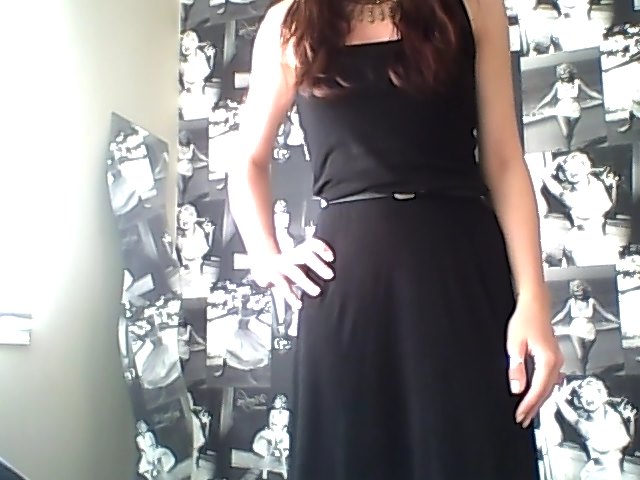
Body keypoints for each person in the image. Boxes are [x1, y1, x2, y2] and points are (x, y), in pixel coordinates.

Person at [227, 0, 563, 478]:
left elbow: (505, 161)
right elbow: (247, 160)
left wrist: (534, 298)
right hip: (347, 289)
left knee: (471, 452)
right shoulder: (290, 21)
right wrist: (266, 256)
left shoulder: (473, 7)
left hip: (461, 276)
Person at [551, 279, 619, 375]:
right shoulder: (571, 302)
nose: (579, 294)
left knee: (585, 357)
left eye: (581, 292)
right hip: (575, 330)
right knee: (580, 355)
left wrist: (618, 321)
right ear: (573, 292)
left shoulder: (592, 301)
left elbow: (605, 313)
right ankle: (582, 375)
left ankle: (583, 371)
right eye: (576, 292)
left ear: (585, 290)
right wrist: (550, 323)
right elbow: (562, 314)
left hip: (589, 331)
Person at [531, 63, 603, 151]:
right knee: (566, 133)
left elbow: (590, 92)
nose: (565, 78)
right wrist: (537, 108)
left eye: (566, 76)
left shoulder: (578, 82)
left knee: (570, 132)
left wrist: (603, 98)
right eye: (562, 76)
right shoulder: (558, 85)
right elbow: (548, 97)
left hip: (575, 110)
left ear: (571, 73)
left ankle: (568, 148)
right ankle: (568, 148)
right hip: (561, 110)